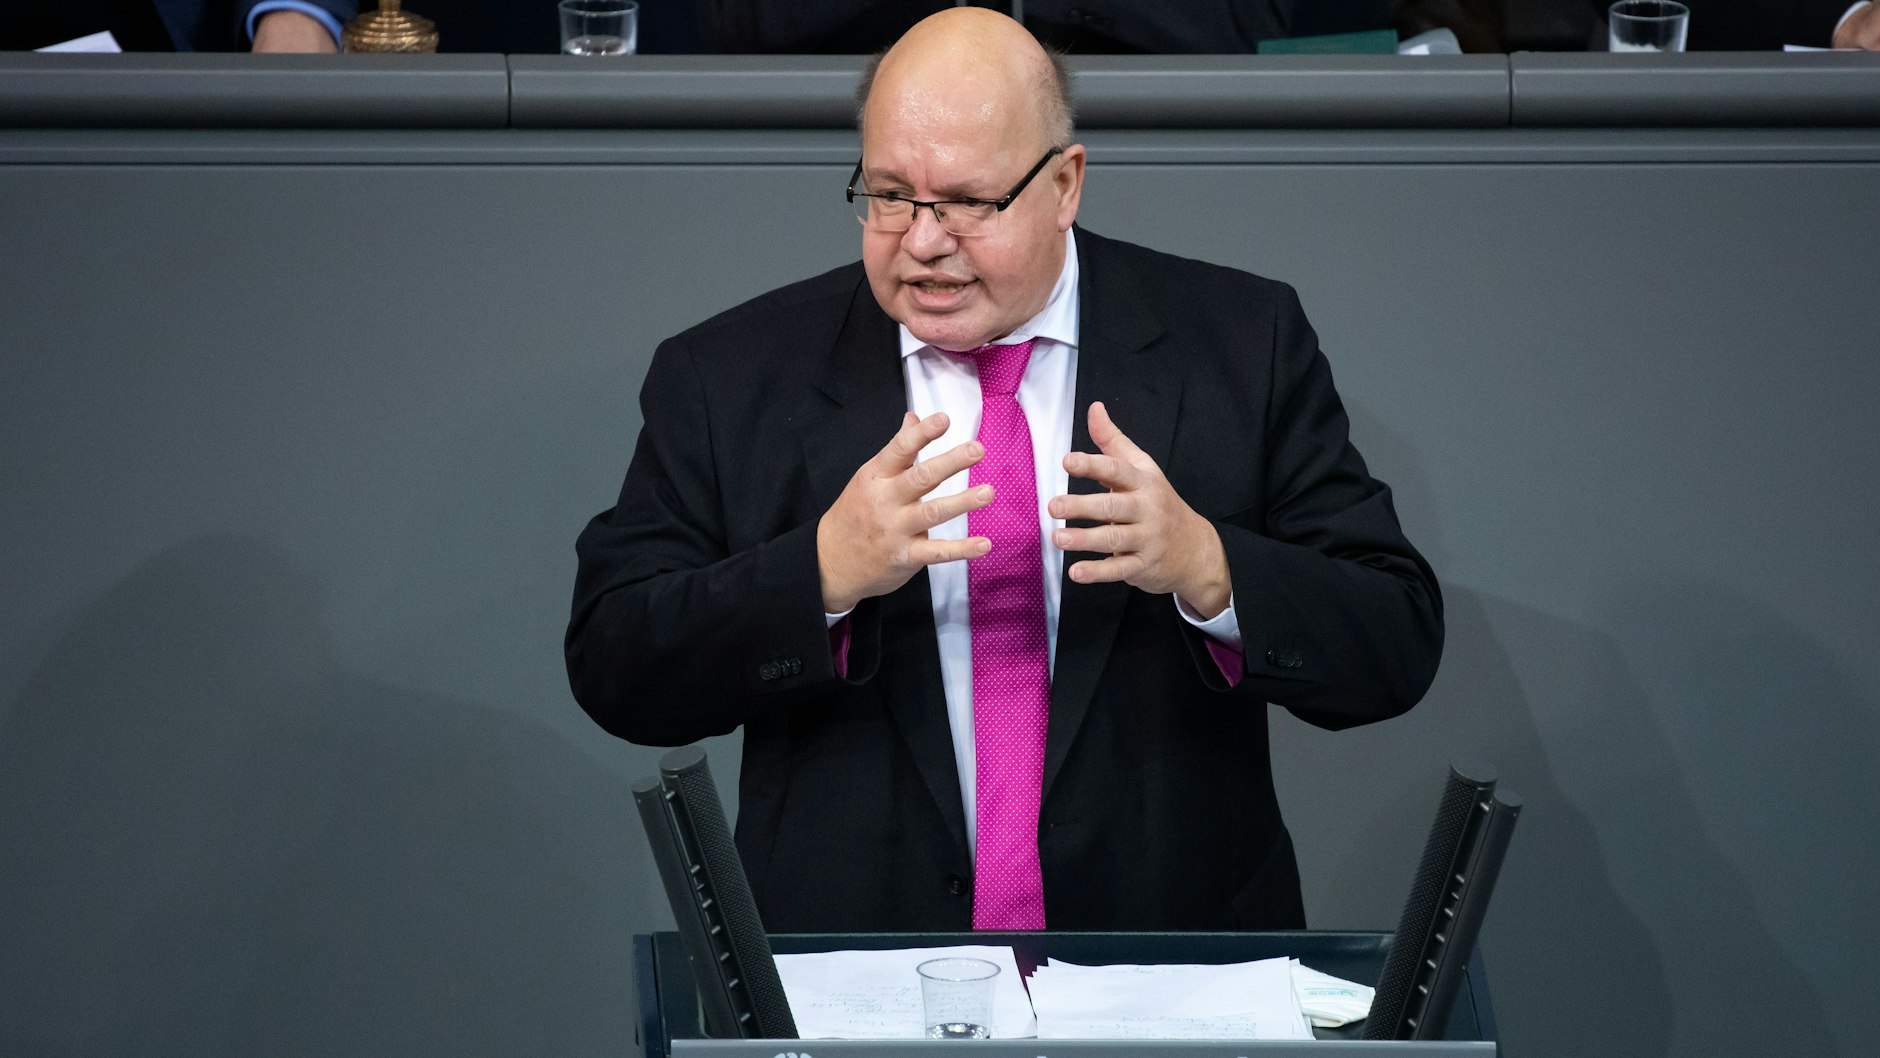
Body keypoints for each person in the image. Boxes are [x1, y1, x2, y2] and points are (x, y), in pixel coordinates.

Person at [566, 7, 1443, 933]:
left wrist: (1208, 566)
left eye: (969, 202)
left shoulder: (1239, 342)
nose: (923, 239)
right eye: (890, 194)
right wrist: (818, 571)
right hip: (853, 973)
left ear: (1065, 183)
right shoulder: (731, 374)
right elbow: (616, 659)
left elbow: (1394, 642)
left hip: (1165, 970)